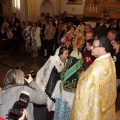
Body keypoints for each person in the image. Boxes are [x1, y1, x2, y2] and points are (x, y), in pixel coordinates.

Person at [70, 36, 117, 120]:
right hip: (104, 104)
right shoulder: (109, 60)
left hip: (94, 105)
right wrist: (86, 74)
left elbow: (85, 87)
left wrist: (82, 77)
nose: (91, 47)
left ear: (103, 48)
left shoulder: (99, 66)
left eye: (94, 46)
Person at [52, 33, 87, 120]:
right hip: (75, 86)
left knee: (62, 106)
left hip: (66, 87)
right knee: (69, 107)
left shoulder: (72, 56)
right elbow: (85, 69)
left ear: (74, 44)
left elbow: (65, 70)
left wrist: (61, 76)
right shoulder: (80, 56)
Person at [36, 46, 69, 113]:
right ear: (60, 53)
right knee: (48, 95)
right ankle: (45, 111)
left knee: (55, 98)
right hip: (50, 81)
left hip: (58, 82)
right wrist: (44, 81)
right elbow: (46, 70)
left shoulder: (66, 61)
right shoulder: (53, 60)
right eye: (65, 53)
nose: (67, 55)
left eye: (68, 53)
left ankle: (51, 111)